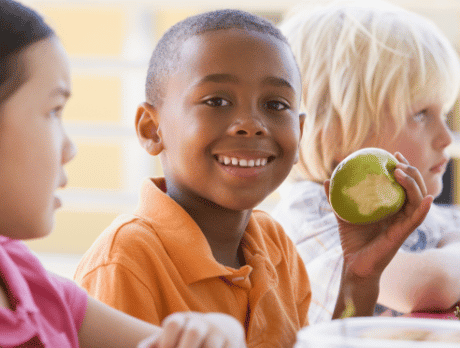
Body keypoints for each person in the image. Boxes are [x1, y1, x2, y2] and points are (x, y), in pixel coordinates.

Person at [73, 8, 432, 347]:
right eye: (216, 101)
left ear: (300, 130)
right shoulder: (126, 259)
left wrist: (361, 275)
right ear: (152, 130)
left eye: (276, 104)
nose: (251, 124)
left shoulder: (274, 246)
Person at [0, 0, 247, 347]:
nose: (69, 149)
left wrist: (219, 333)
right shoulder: (124, 255)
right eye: (53, 110)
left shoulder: (21, 276)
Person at [271, 0, 460, 324]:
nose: (446, 137)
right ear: (339, 136)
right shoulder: (309, 219)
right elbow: (428, 285)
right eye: (420, 115)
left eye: (443, 114)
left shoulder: (422, 211)